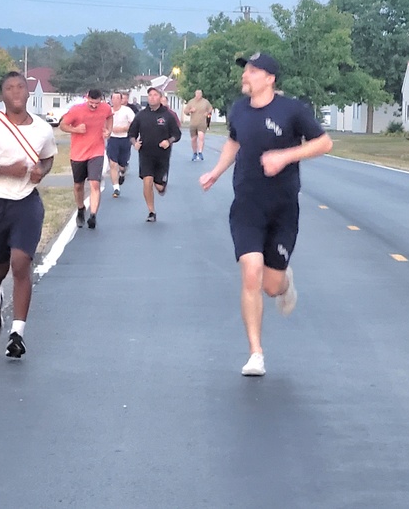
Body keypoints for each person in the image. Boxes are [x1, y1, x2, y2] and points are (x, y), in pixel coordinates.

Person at [199, 52, 333, 377]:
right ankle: (255, 353)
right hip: (247, 204)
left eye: (253, 71)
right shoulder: (239, 109)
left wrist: (286, 156)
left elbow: (324, 143)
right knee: (250, 272)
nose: (246, 75)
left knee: (271, 286)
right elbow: (234, 141)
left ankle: (286, 283)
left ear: (270, 78)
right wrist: (216, 171)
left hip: (283, 208)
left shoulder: (293, 111)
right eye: (245, 70)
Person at [0, 71, 57, 358]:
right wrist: (7, 170)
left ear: (28, 93)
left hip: (26, 203)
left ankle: (17, 334)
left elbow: (48, 155)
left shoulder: (42, 129)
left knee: (21, 262)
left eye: (21, 87)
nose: (16, 92)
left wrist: (42, 171)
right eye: (9, 88)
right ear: (2, 95)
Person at [59, 89, 113, 229]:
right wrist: (76, 130)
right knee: (78, 185)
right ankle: (81, 208)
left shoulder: (105, 108)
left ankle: (93, 216)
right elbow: (63, 125)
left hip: (96, 151)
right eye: (91, 103)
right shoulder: (76, 110)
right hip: (78, 153)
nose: (94, 106)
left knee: (95, 184)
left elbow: (109, 116)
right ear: (86, 98)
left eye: (97, 103)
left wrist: (109, 130)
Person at [128, 86, 182, 222]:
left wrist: (169, 141)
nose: (152, 97)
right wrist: (135, 143)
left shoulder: (168, 116)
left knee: (159, 185)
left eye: (155, 95)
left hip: (162, 155)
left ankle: (161, 186)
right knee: (147, 181)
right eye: (150, 95)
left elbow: (177, 134)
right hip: (146, 153)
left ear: (160, 97)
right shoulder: (141, 115)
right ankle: (151, 211)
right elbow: (131, 134)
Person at [107, 92, 136, 198]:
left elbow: (134, 123)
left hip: (125, 139)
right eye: (113, 98)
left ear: (121, 100)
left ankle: (122, 173)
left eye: (117, 98)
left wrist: (124, 128)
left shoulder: (127, 111)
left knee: (122, 164)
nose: (115, 100)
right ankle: (116, 188)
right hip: (113, 139)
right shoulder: (108, 111)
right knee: (113, 164)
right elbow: (102, 122)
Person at [183, 89, 213, 161]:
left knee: (201, 137)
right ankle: (194, 153)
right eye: (197, 94)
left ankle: (200, 152)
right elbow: (185, 111)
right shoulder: (191, 102)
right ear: (195, 94)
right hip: (193, 123)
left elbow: (210, 108)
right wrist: (190, 111)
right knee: (193, 139)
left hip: (202, 123)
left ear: (202, 94)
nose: (199, 95)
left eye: (200, 94)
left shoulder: (205, 102)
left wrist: (207, 113)